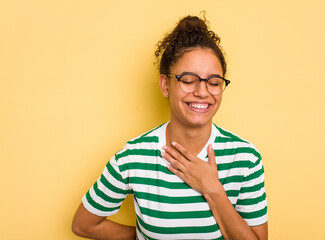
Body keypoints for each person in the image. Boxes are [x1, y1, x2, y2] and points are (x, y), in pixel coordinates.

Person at [72, 15, 268, 240]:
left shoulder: (245, 157)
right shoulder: (133, 156)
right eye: (188, 79)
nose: (203, 92)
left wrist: (213, 190)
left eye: (214, 82)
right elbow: (83, 225)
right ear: (166, 85)